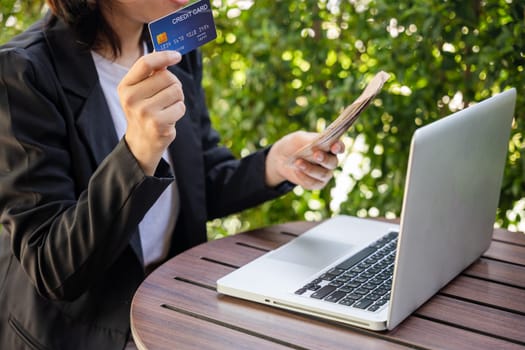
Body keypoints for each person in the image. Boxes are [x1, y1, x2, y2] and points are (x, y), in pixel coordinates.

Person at [0, 0, 344, 349]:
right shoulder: (23, 71)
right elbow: (53, 267)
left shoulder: (174, 42)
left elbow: (196, 182)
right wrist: (138, 151)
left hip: (168, 305)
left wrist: (273, 164)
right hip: (77, 333)